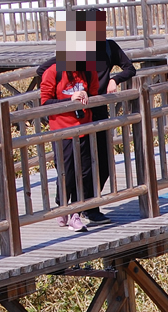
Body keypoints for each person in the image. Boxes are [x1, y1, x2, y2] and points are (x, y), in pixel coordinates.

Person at [36, 9, 136, 225]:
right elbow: (42, 70)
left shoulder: (109, 47)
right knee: (76, 164)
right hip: (77, 113)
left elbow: (130, 68)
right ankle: (72, 206)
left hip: (97, 111)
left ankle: (88, 206)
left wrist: (115, 79)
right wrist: (66, 92)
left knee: (101, 164)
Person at [40, 10, 101, 232]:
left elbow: (94, 94)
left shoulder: (88, 70)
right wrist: (69, 98)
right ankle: (65, 209)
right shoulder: (53, 72)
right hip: (62, 131)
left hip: (83, 128)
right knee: (66, 172)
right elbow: (45, 102)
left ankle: (74, 212)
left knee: (84, 172)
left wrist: (86, 96)